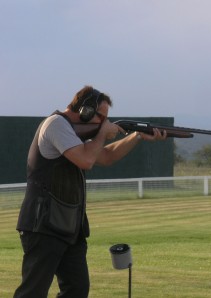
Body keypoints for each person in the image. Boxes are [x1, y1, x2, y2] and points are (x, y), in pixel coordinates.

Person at [14, 86, 167, 298]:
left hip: (68, 226)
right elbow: (86, 160)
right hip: (44, 224)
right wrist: (103, 133)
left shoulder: (71, 131)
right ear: (85, 110)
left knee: (77, 290)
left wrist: (137, 136)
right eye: (101, 117)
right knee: (33, 292)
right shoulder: (56, 124)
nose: (103, 122)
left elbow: (105, 156)